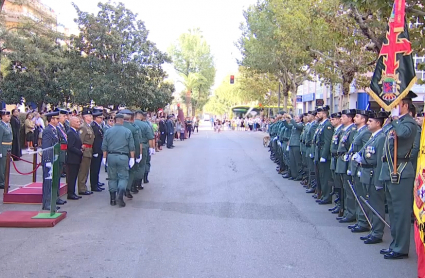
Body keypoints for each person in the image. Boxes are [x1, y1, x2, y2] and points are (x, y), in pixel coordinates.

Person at [379, 91, 418, 259]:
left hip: (401, 170)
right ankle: (395, 244)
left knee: (401, 213)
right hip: (390, 169)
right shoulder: (396, 122)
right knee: (393, 211)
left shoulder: (409, 123)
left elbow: (403, 134)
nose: (393, 108)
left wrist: (395, 120)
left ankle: (401, 248)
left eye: (396, 105)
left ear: (405, 105)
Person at [357, 110, 389, 244]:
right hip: (366, 173)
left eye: (370, 121)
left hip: (374, 174)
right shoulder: (373, 136)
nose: (368, 123)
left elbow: (380, 161)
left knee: (377, 205)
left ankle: (377, 233)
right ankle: (373, 229)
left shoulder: (381, 137)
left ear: (378, 123)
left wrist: (379, 181)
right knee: (370, 203)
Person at [102, 113, 135, 207]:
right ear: (122, 120)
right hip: (123, 156)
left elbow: (104, 146)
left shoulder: (108, 131)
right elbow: (131, 146)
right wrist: (132, 158)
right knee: (123, 176)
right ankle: (120, 192)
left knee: (112, 177)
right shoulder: (127, 131)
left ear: (115, 120)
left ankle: (112, 199)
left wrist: (104, 158)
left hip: (111, 156)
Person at [348, 109, 372, 233]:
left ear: (363, 119)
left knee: (361, 195)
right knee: (357, 194)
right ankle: (359, 220)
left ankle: (363, 221)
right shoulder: (358, 132)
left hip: (360, 167)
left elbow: (366, 150)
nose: (354, 118)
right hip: (354, 166)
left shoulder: (366, 132)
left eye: (357, 116)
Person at [335, 109, 357, 221]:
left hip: (346, 161)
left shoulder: (352, 130)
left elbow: (351, 148)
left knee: (349, 190)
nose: (341, 118)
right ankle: (346, 210)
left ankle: (350, 213)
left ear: (349, 118)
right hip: (342, 160)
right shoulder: (345, 130)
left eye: (343, 117)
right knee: (344, 188)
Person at [41, 111, 65, 211]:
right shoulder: (48, 130)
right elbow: (46, 147)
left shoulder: (55, 129)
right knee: (48, 182)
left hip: (55, 158)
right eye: (56, 118)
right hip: (49, 159)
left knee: (54, 180)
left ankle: (53, 199)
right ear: (52, 120)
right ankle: (46, 203)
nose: (58, 120)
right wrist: (47, 160)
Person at [314, 106, 334, 204]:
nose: (317, 115)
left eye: (319, 113)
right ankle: (322, 194)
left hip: (323, 154)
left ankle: (327, 196)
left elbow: (327, 141)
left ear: (324, 114)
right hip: (318, 152)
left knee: (325, 176)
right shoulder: (321, 125)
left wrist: (324, 156)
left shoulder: (327, 125)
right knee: (320, 176)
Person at [121, 109, 142, 198]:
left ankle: (118, 191)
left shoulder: (114, 127)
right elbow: (137, 143)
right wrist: (137, 155)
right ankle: (127, 188)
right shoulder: (133, 128)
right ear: (131, 118)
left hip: (117, 153)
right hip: (130, 153)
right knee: (131, 171)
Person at [77, 108, 94, 196]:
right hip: (85, 151)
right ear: (85, 117)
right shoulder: (83, 127)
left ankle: (83, 187)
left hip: (89, 150)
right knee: (83, 171)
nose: (91, 117)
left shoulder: (88, 126)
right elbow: (80, 140)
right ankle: (81, 188)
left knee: (86, 170)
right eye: (89, 116)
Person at [66, 116, 83, 200]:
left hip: (76, 158)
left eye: (79, 122)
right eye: (77, 122)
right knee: (72, 177)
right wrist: (80, 151)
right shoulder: (70, 132)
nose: (79, 123)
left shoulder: (75, 132)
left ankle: (72, 192)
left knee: (74, 176)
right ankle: (70, 193)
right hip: (72, 158)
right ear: (72, 123)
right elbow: (70, 146)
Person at [90, 110, 105, 193]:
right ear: (96, 118)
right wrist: (95, 151)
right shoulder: (94, 126)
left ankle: (97, 182)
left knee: (97, 168)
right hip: (96, 150)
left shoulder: (98, 126)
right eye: (100, 117)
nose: (101, 119)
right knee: (94, 168)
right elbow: (94, 140)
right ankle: (94, 185)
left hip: (99, 149)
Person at [0, 110, 13, 190]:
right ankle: (2, 182)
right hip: (3, 148)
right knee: (2, 167)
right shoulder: (1, 126)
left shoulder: (8, 125)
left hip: (8, 148)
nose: (9, 117)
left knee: (7, 167)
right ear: (2, 116)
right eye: (7, 116)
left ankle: (5, 181)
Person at [56, 109, 69, 180]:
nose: (66, 118)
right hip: (60, 150)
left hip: (64, 149)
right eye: (64, 116)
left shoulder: (63, 126)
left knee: (62, 164)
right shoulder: (58, 127)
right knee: (59, 166)